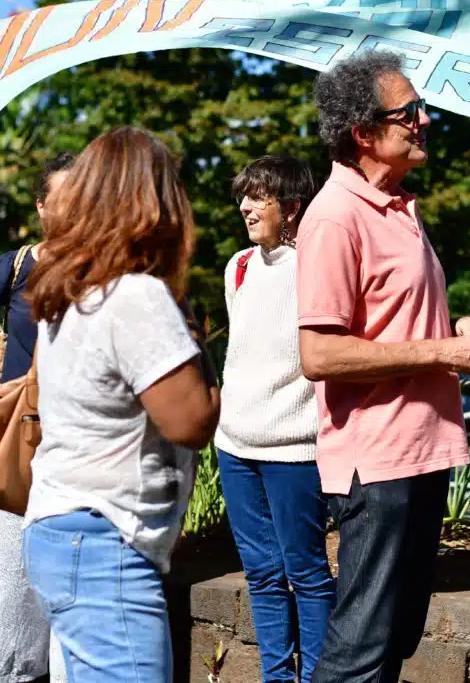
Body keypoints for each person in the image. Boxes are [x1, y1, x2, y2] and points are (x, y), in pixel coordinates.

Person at [296, 50, 470, 683]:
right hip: (379, 464)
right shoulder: (335, 217)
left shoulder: (399, 208)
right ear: (365, 133)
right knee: (359, 651)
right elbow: (320, 354)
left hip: (421, 455)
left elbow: (389, 327)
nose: (425, 120)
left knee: (394, 640)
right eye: (409, 112)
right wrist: (442, 352)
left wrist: (452, 329)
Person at [21, 127, 220, 683]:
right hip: (104, 540)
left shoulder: (70, 290)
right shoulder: (134, 296)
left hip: (63, 528)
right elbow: (191, 420)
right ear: (155, 204)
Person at [216, 155, 336, 683]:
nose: (245, 206)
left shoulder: (319, 264)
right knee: (261, 575)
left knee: (307, 572)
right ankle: (276, 678)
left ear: (292, 206)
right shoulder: (238, 267)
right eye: (244, 195)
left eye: (258, 196)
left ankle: (315, 677)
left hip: (294, 450)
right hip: (234, 446)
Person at [0, 153, 74, 683]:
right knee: (13, 600)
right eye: (61, 199)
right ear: (41, 206)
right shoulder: (16, 266)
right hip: (19, 447)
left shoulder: (111, 275)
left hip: (78, 452)